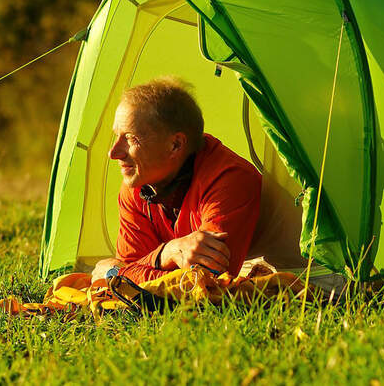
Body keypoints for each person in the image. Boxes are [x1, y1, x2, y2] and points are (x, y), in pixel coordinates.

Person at [91, 77, 261, 284]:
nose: (113, 152)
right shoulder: (138, 183)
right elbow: (130, 271)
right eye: (116, 136)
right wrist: (168, 252)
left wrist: (113, 273)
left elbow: (205, 284)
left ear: (175, 145)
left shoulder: (230, 180)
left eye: (130, 139)